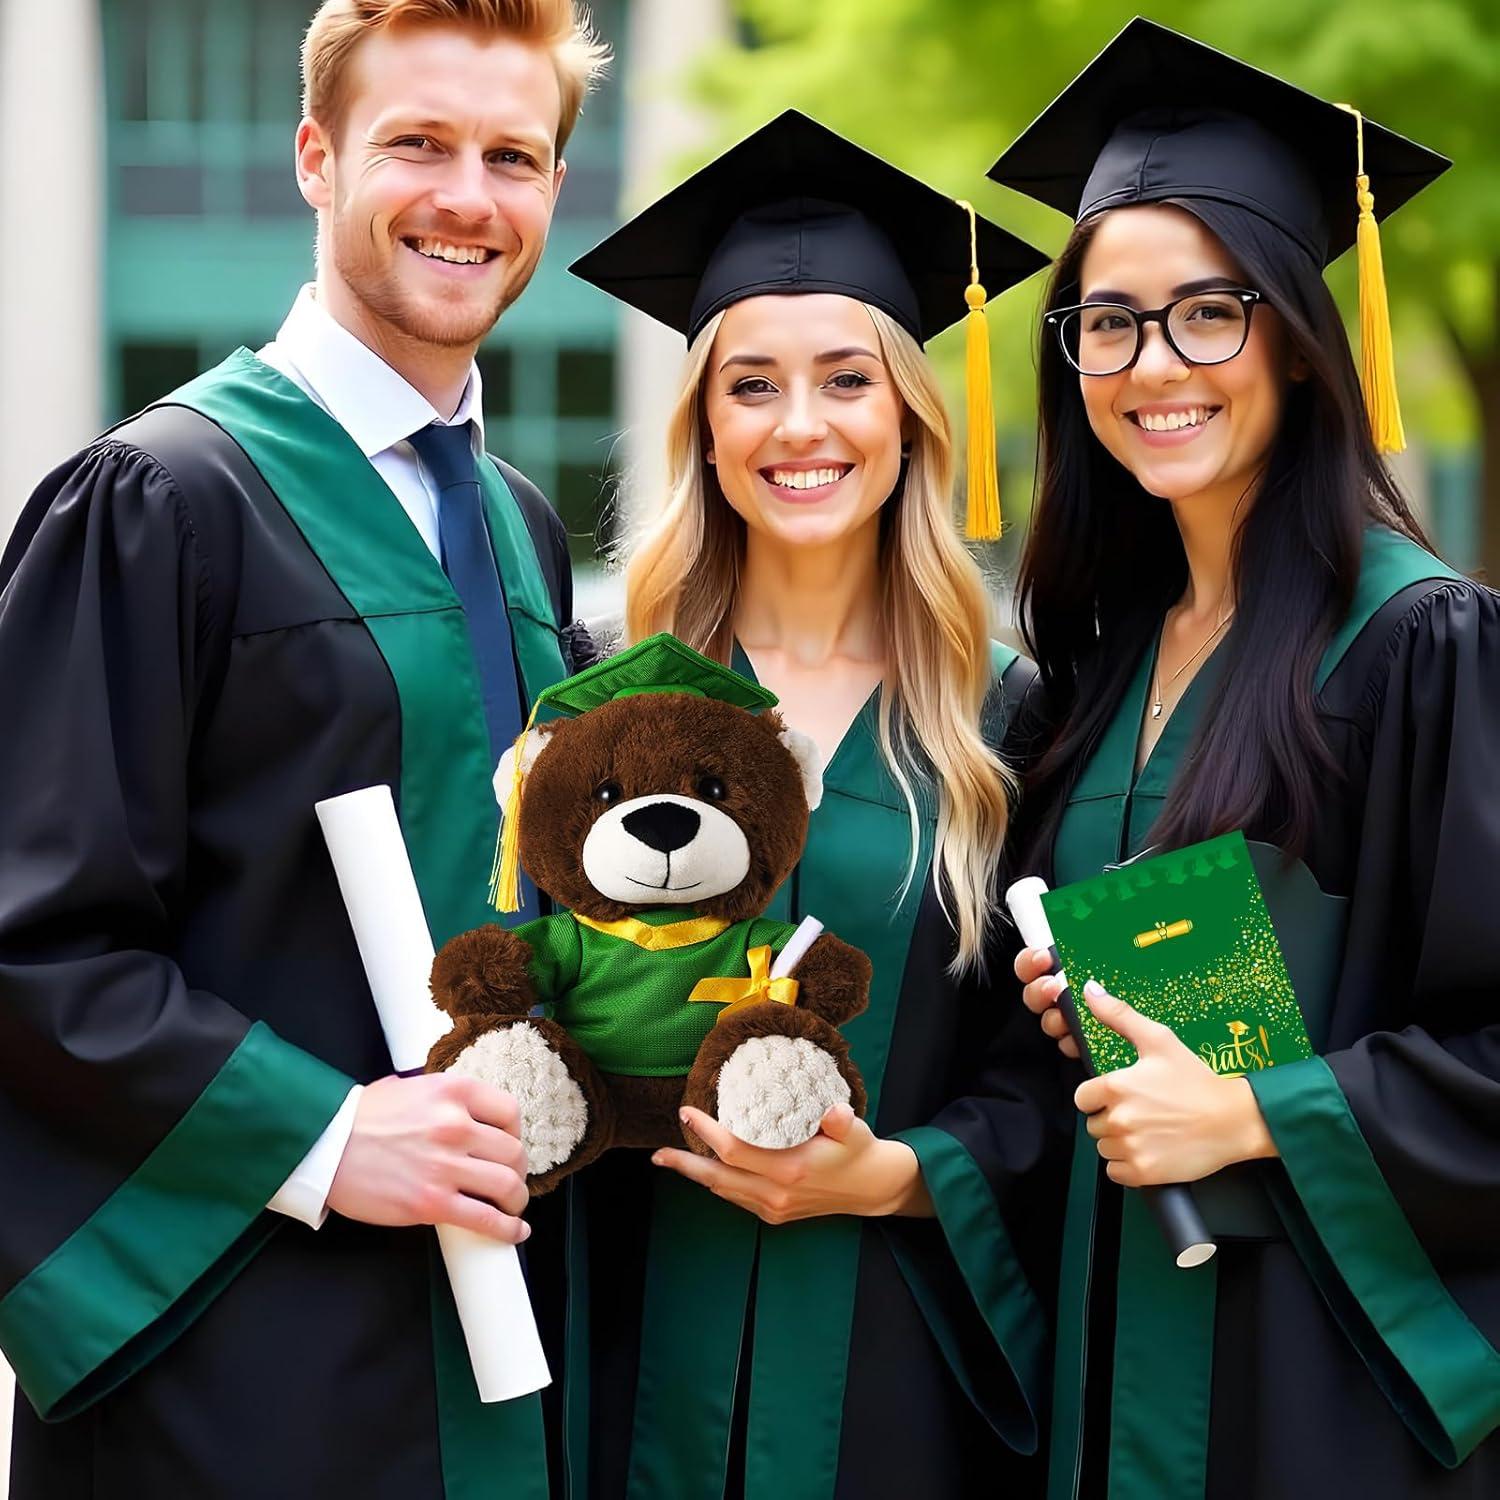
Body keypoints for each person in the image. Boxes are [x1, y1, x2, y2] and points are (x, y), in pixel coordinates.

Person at [0, 2, 607, 1495]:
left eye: (513, 156)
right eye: (419, 143)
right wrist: (330, 1135)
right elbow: (35, 944)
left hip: (500, 1322)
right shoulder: (159, 500)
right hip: (249, 1357)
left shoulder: (518, 526)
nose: (469, 194)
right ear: (315, 157)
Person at [991, 19, 1500, 1499]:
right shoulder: (1097, 668)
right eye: (1108, 320)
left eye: (1208, 312)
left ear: (1293, 328)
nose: (1154, 364)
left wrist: (1257, 1108)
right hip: (1105, 1376)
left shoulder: (1421, 646)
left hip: (1320, 1414)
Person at [560, 109, 1069, 1499]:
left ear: (908, 415)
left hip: (893, 1381)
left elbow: (1043, 1076)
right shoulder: (604, 694)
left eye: (847, 380)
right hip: (625, 1354)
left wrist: (899, 1174)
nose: (800, 426)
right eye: (751, 386)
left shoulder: (1010, 720)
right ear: (703, 427)